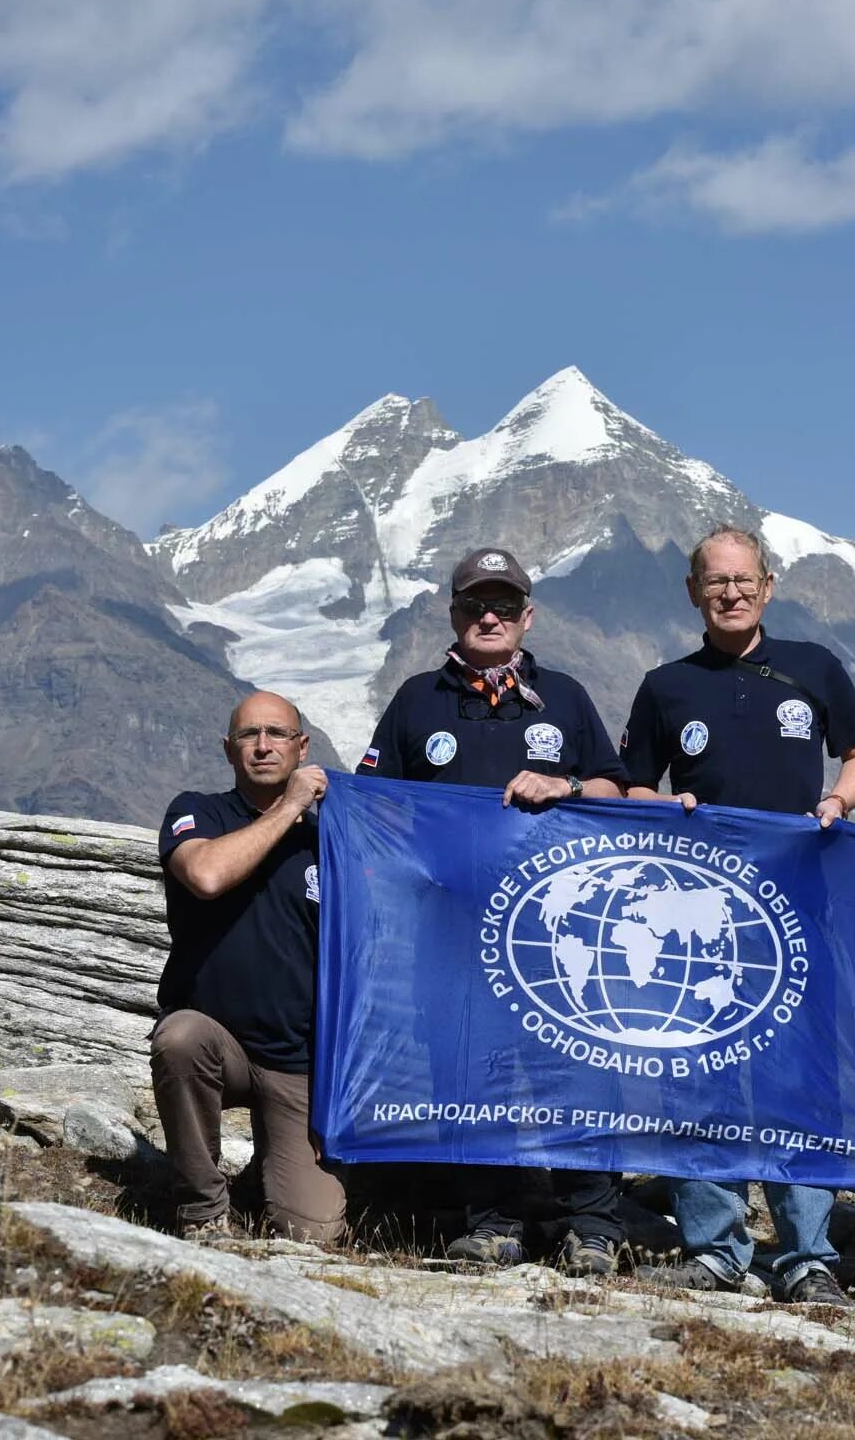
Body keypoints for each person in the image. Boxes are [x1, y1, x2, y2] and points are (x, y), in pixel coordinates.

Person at [620, 524, 855, 1308]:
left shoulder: (814, 667)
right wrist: (669, 807)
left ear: (768, 586)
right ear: (694, 592)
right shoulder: (667, 685)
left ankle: (808, 1255)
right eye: (714, 581)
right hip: (697, 913)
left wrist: (838, 799)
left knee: (800, 1075)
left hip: (797, 907)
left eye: (743, 580)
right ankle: (715, 1249)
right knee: (700, 1069)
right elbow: (629, 786)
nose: (730, 593)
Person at [357, 545, 628, 1275]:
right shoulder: (418, 700)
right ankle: (491, 1219)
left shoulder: (565, 697)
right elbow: (373, 806)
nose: (489, 616)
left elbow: (616, 792)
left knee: (577, 1069)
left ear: (526, 616)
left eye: (504, 606)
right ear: (452, 613)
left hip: (558, 931)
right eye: (476, 604)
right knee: (468, 1069)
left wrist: (566, 787)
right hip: (451, 934)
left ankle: (593, 1226)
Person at [152, 690, 343, 1244]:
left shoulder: (330, 836)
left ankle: (269, 1172)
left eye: (278, 734)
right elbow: (206, 876)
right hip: (219, 1042)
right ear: (228, 749)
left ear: (301, 746)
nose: (263, 746)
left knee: (312, 1232)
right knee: (179, 1039)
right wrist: (289, 807)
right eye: (248, 736)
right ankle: (203, 1209)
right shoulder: (198, 811)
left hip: (299, 1058)